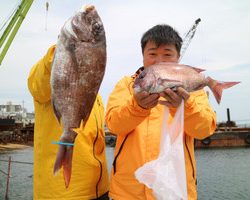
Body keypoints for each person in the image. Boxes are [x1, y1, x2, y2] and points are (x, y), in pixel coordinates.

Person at [105, 24, 216, 200]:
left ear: (179, 58)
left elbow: (203, 130)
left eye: (167, 54)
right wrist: (137, 107)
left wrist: (184, 107)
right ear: (143, 57)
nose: (159, 60)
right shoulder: (126, 85)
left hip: (177, 190)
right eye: (152, 54)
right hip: (128, 192)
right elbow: (113, 125)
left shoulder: (193, 90)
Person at [28, 45, 109, 200]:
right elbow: (37, 85)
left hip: (100, 189)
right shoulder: (52, 78)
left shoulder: (95, 96)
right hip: (61, 194)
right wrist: (61, 52)